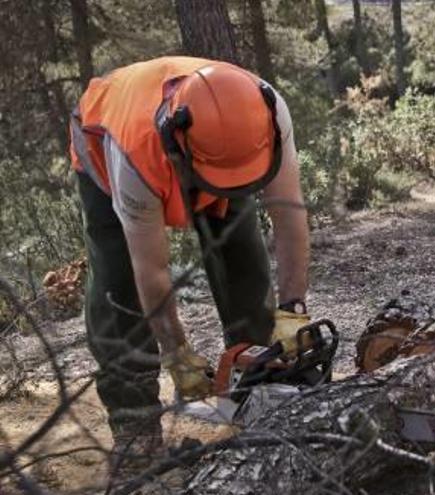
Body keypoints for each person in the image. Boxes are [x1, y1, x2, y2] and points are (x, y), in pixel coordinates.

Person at [69, 56, 311, 466]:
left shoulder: (265, 112)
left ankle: (255, 383)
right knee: (119, 282)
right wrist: (176, 351)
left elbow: (289, 215)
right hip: (107, 137)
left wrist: (293, 310)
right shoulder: (134, 155)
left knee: (242, 253)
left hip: (216, 144)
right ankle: (135, 426)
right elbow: (151, 269)